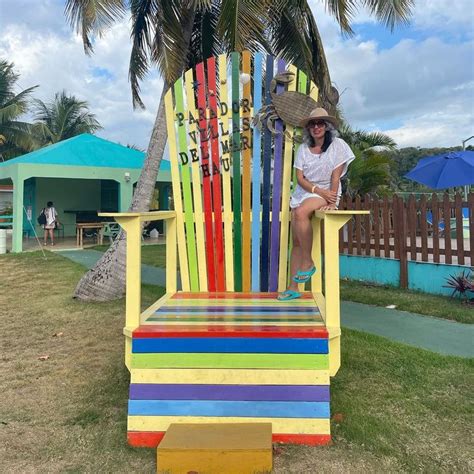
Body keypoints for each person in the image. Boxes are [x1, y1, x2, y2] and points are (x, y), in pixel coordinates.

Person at [278, 108, 355, 301]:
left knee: (302, 212)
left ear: (327, 126)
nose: (316, 127)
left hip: (327, 191)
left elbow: (335, 177)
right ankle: (293, 287)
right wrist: (316, 191)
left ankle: (308, 261)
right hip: (307, 191)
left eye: (320, 123)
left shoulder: (338, 146)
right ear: (308, 129)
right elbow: (300, 178)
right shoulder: (304, 149)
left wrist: (333, 201)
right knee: (296, 239)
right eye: (312, 124)